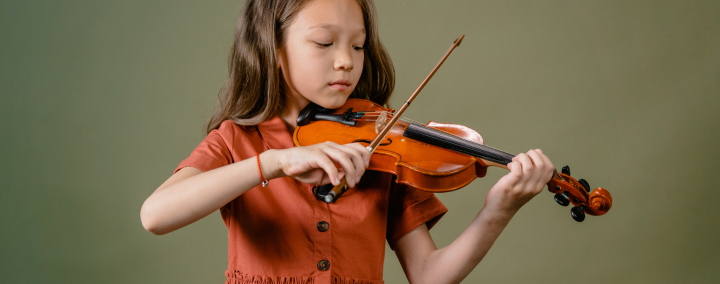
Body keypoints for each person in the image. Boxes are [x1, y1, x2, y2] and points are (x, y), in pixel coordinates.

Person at [140, 0, 555, 283]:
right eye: (324, 43)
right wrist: (277, 163)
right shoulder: (237, 140)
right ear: (273, 46)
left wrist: (498, 210)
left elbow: (430, 274)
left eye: (358, 45)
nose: (347, 60)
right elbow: (156, 215)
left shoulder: (382, 146)